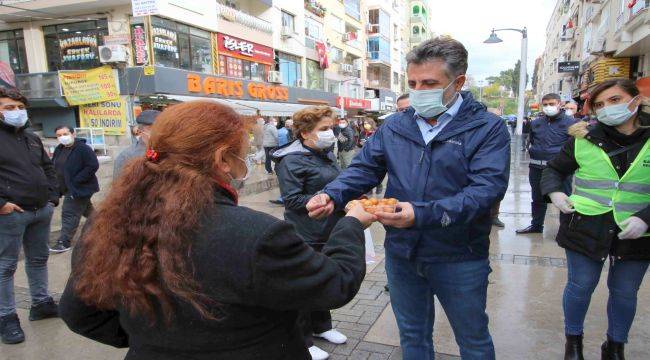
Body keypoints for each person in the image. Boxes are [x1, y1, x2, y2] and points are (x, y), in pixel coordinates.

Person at [58, 101, 373, 360]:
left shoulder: (105, 223)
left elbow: (80, 313)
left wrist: (156, 340)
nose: (245, 161)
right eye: (243, 151)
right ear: (223, 159)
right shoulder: (256, 234)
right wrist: (353, 223)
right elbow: (336, 283)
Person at [307, 36, 510, 360]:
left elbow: (486, 190)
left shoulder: (486, 128)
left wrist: (422, 213)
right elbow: (364, 168)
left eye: (429, 83)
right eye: (413, 83)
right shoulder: (396, 126)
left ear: (457, 82)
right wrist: (331, 194)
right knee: (413, 337)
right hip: (402, 254)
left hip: (459, 255)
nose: (419, 90)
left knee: (472, 340)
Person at [541, 79, 649, 360]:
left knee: (625, 292)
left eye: (615, 100)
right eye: (599, 104)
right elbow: (554, 169)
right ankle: (573, 342)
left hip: (636, 231)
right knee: (580, 286)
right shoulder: (583, 137)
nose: (606, 109)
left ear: (635, 100)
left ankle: (615, 346)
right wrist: (554, 192)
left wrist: (646, 218)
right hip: (587, 224)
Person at [272, 106, 349, 360]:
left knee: (322, 281)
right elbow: (292, 199)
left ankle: (322, 327)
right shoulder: (291, 159)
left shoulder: (324, 153)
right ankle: (303, 340)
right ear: (305, 133)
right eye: (324, 129)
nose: (331, 133)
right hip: (307, 232)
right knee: (305, 286)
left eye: (331, 128)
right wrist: (325, 200)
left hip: (329, 229)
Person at [0, 88, 60, 345]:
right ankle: (7, 317)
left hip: (40, 210)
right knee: (6, 267)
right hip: (11, 214)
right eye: (8, 107)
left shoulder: (31, 137)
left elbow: (47, 167)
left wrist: (52, 196)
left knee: (38, 259)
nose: (16, 112)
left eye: (19, 107)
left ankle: (41, 303)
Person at [516, 93, 575, 234]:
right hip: (536, 167)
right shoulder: (536, 123)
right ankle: (536, 226)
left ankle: (565, 230)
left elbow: (574, 147)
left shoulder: (570, 123)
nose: (548, 107)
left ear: (559, 104)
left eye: (552, 104)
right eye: (546, 104)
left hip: (559, 170)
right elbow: (533, 141)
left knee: (564, 199)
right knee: (537, 198)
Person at [50, 126, 99, 253]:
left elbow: (93, 165)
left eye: (65, 134)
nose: (62, 137)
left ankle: (64, 242)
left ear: (73, 133)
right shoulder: (59, 149)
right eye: (59, 135)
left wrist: (77, 180)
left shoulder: (83, 148)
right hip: (66, 188)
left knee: (69, 213)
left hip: (80, 189)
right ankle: (106, 226)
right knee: (90, 213)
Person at [113, 110, 160, 180]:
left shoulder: (168, 152)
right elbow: (118, 185)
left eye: (159, 128)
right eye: (151, 129)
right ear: (140, 131)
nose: (157, 132)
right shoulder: (126, 156)